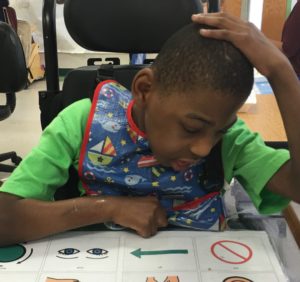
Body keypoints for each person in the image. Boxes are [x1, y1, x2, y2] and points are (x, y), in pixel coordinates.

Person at [0, 12, 300, 247]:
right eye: (191, 127)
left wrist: (282, 73)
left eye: (219, 131)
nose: (204, 149)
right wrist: (108, 208)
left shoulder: (230, 141)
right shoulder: (81, 122)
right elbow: (4, 217)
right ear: (144, 89)